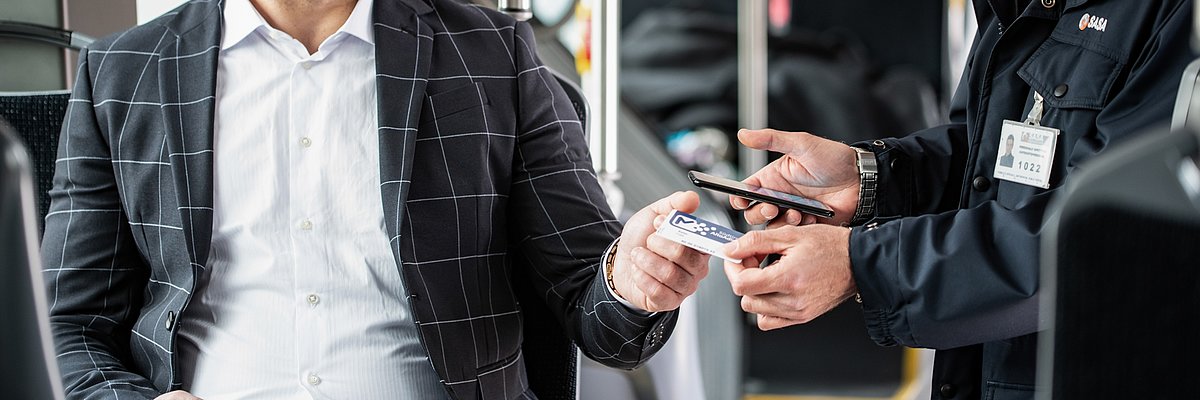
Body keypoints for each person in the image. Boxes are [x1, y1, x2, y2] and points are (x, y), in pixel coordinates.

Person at [41, 0, 710, 399]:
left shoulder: (492, 55)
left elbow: (591, 304)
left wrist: (632, 283)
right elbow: (66, 326)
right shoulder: (125, 71)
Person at [719, 0, 1194, 399]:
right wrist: (871, 179)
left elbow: (1110, 236)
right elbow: (988, 160)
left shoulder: (1176, 15)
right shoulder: (1015, 6)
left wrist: (862, 265)